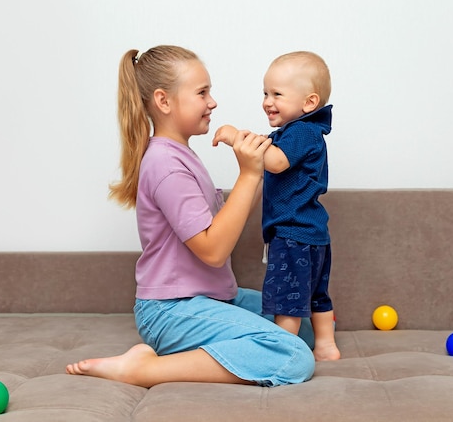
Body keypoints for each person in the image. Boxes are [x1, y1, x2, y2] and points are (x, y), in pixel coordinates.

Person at [65, 45, 315, 387]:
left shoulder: (182, 155)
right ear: (164, 101)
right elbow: (213, 251)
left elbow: (224, 219)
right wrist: (248, 175)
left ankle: (216, 350)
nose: (212, 102)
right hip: (171, 310)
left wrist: (263, 169)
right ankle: (143, 370)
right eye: (202, 93)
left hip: (212, 298)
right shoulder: (165, 164)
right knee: (294, 357)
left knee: (303, 326)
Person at [212, 51, 341, 361]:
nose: (267, 101)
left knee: (288, 299)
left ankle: (284, 353)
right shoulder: (306, 132)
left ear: (309, 103)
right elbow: (267, 169)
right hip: (315, 235)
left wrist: (236, 138)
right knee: (315, 295)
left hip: (292, 234)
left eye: (277, 94)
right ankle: (325, 346)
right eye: (265, 93)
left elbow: (275, 162)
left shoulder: (300, 132)